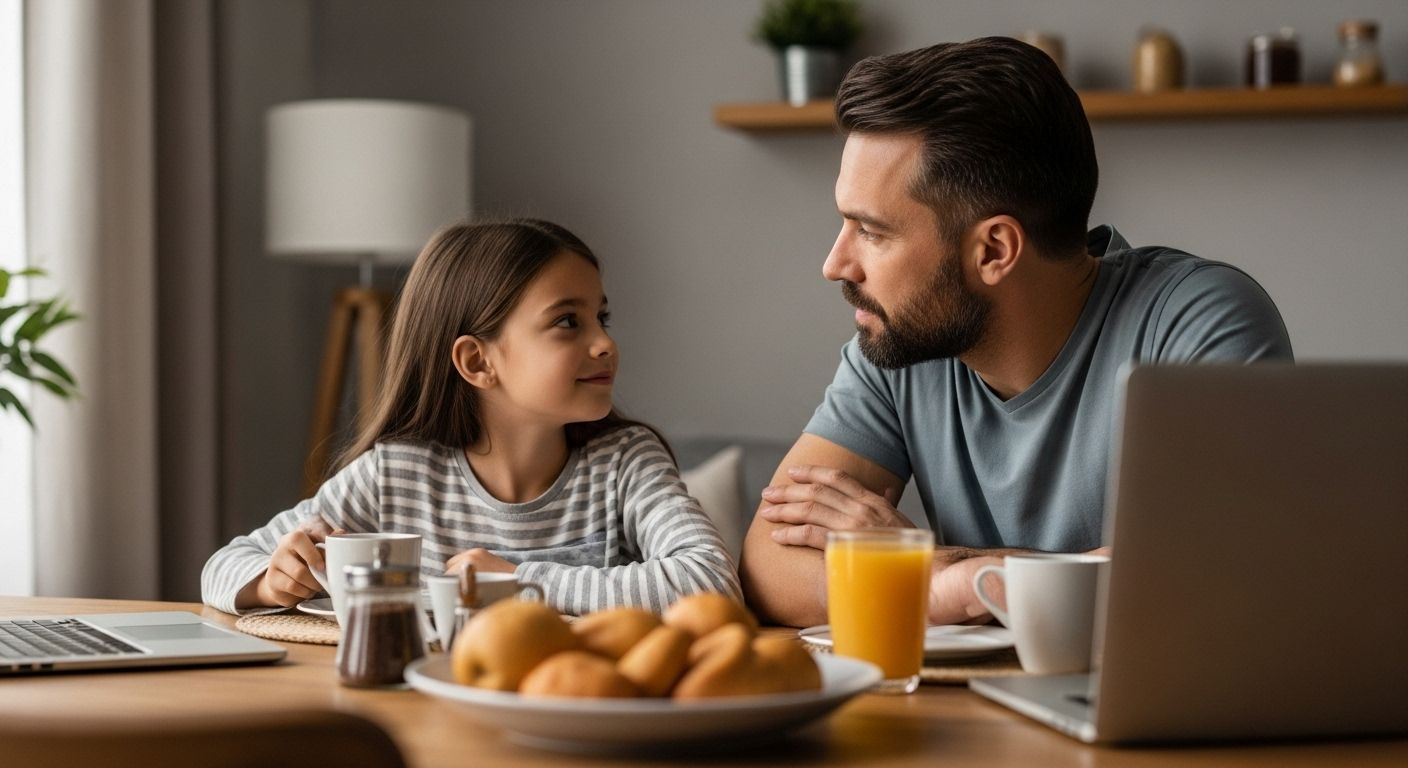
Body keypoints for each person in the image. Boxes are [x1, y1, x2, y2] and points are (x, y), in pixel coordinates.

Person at [739, 38, 1293, 628]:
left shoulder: (1199, 324)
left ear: (994, 250)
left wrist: (929, 569)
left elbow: (1206, 578)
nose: (836, 264)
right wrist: (938, 587)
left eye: (870, 232)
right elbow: (769, 566)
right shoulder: (897, 346)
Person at [203, 219, 740, 617]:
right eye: (568, 322)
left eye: (601, 317)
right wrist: (271, 582)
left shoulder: (625, 464)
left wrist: (520, 582)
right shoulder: (398, 475)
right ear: (477, 361)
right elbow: (223, 566)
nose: (605, 343)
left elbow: (711, 581)